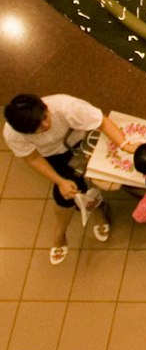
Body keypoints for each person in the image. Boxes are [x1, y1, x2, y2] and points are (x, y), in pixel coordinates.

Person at [2, 92, 136, 264]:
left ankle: (97, 210)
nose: (46, 124)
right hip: (52, 155)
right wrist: (60, 181)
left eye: (45, 117)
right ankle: (65, 227)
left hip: (82, 142)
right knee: (67, 192)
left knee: (102, 178)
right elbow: (33, 158)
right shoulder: (13, 135)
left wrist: (126, 145)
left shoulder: (66, 106)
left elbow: (101, 120)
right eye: (38, 127)